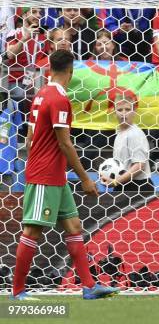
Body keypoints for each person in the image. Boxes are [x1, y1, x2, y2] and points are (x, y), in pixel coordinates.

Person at [11, 50, 119, 300]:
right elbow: (65, 144)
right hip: (44, 175)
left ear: (50, 69)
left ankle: (89, 287)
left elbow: (29, 138)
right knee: (32, 231)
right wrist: (84, 178)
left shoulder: (40, 94)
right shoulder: (59, 99)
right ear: (71, 71)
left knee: (74, 226)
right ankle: (17, 291)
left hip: (54, 174)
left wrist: (40, 155)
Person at [100, 97, 153, 192]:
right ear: (114, 113)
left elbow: (139, 166)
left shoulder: (134, 133)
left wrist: (116, 182)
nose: (123, 113)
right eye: (120, 110)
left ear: (134, 112)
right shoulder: (120, 133)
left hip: (138, 187)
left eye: (127, 109)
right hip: (123, 184)